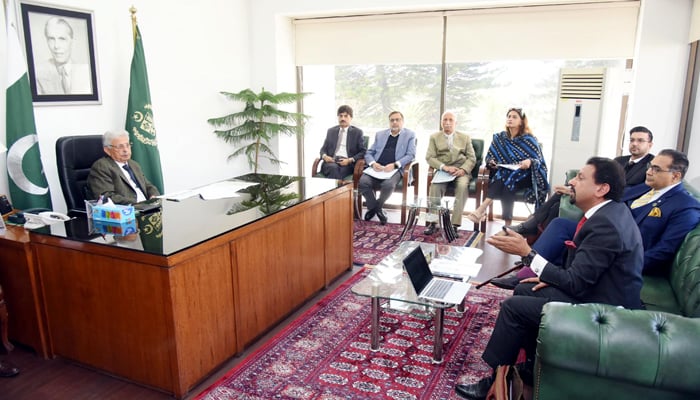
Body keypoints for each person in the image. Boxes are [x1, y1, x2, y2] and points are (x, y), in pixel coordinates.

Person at [455, 157, 644, 399]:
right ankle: (532, 365)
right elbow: (583, 272)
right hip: (596, 289)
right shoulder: (609, 213)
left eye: (581, 177)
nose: (572, 181)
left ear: (602, 188)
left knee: (513, 308)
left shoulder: (605, 225)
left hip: (606, 309)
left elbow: (576, 283)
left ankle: (496, 382)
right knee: (525, 289)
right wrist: (552, 277)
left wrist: (527, 253)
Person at [508, 126, 655, 236]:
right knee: (555, 206)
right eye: (632, 140)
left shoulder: (651, 166)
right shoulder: (618, 161)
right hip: (600, 194)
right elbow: (599, 180)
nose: (635, 144)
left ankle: (533, 231)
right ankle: (539, 247)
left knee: (561, 198)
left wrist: (576, 190)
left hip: (615, 204)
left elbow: (628, 192)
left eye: (640, 140)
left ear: (650, 144)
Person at [465, 108, 549, 226]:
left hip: (525, 175)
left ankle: (481, 209)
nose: (510, 119)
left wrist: (529, 162)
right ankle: (507, 225)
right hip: (505, 174)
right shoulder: (500, 138)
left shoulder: (529, 139)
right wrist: (491, 162)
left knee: (508, 177)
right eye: (509, 116)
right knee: (507, 181)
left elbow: (538, 160)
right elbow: (489, 157)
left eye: (514, 117)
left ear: (521, 121)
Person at [359, 111, 416, 225]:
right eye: (392, 120)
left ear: (402, 122)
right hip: (377, 168)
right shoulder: (380, 134)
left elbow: (411, 155)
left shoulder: (410, 135)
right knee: (362, 182)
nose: (394, 122)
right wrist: (373, 163)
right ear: (389, 122)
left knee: (388, 185)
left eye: (397, 120)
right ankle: (377, 209)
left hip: (395, 169)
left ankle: (374, 209)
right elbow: (369, 152)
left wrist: (395, 164)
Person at [424, 111, 476, 234]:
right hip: (444, 170)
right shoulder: (434, 137)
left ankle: (454, 225)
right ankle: (433, 222)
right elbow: (429, 157)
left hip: (461, 170)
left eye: (450, 120)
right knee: (434, 187)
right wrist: (444, 167)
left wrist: (463, 169)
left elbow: (472, 158)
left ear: (455, 123)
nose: (447, 123)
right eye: (444, 120)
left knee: (462, 186)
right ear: (441, 122)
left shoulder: (465, 137)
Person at [88, 130, 160, 205]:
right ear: (107, 150)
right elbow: (107, 197)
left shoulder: (134, 164)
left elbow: (148, 186)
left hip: (148, 207)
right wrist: (139, 203)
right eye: (120, 146)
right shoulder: (102, 166)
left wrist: (153, 196)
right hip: (128, 210)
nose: (125, 150)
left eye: (127, 145)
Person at [35, 17, 92, 95]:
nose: (56, 46)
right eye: (51, 39)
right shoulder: (38, 76)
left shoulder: (87, 72)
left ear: (72, 41)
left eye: (62, 39)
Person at [318, 105, 366, 179]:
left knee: (336, 171)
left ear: (351, 118)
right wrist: (325, 156)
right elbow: (323, 149)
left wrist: (349, 160)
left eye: (346, 116)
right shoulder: (331, 131)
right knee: (333, 168)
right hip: (331, 162)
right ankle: (341, 189)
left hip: (347, 164)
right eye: (340, 116)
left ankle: (332, 189)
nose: (343, 118)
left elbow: (363, 152)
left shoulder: (357, 132)